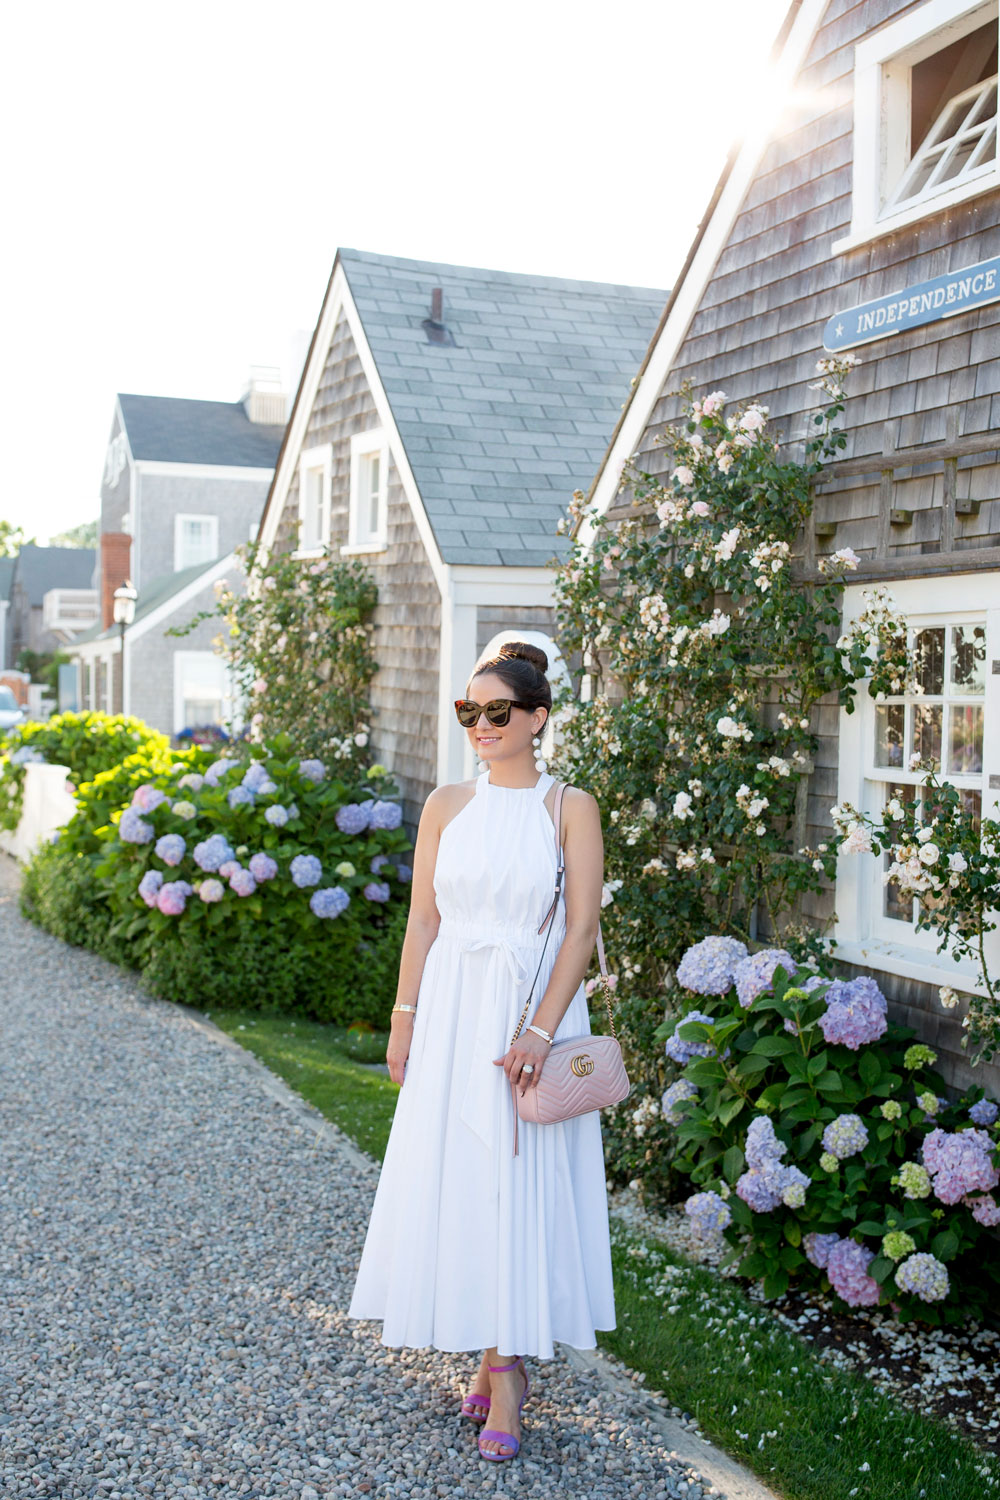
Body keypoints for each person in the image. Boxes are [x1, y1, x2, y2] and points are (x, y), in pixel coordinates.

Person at [347, 640, 616, 1462]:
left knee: (517, 1184)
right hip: (453, 1012)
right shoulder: (444, 804)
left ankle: (507, 1371)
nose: (483, 726)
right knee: (463, 1180)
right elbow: (423, 920)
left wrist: (538, 1030)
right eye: (470, 711)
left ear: (537, 718)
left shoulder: (568, 805)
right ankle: (487, 1347)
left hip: (527, 1018)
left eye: (499, 712)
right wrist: (404, 1017)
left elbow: (581, 930)